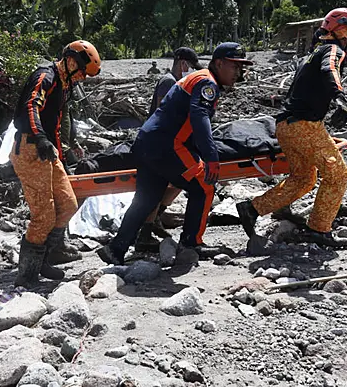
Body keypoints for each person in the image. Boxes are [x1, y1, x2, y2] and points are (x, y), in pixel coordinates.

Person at [98, 43, 252, 265]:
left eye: (241, 68)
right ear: (219, 63)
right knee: (204, 186)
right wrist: (211, 157)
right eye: (235, 67)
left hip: (147, 142)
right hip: (168, 145)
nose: (239, 73)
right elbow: (200, 118)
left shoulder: (199, 77)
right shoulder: (208, 83)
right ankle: (191, 243)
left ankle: (116, 248)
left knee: (147, 198)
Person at [237, 8, 347, 249]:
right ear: (344, 31)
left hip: (286, 126)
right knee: (338, 175)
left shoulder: (312, 53)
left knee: (304, 179)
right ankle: (318, 229)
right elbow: (331, 69)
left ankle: (252, 209)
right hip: (304, 125)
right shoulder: (332, 50)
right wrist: (339, 98)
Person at [11, 41, 102, 287]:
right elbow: (32, 106)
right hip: (31, 149)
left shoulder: (64, 84)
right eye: (83, 71)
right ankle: (27, 275)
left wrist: (62, 153)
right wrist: (40, 137)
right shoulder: (46, 77)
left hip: (48, 151)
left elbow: (57, 123)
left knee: (68, 203)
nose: (82, 77)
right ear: (72, 61)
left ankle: (45, 256)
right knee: (44, 215)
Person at [137, 47, 204, 252]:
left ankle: (155, 220)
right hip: (162, 144)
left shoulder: (175, 82)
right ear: (183, 64)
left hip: (168, 142)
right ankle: (145, 234)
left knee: (176, 184)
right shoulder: (168, 82)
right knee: (161, 186)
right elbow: (164, 113)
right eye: (191, 67)